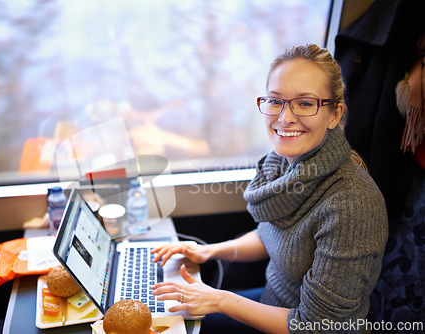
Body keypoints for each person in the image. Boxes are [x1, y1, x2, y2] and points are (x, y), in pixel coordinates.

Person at [151, 44, 388, 333]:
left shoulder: (352, 205)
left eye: (304, 103)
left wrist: (220, 300)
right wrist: (208, 252)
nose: (285, 118)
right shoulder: (286, 164)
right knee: (168, 318)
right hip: (272, 304)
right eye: (275, 101)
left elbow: (317, 325)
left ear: (334, 114)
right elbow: (272, 235)